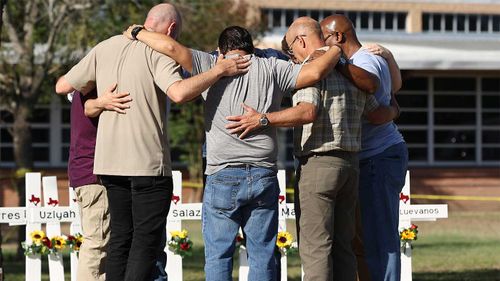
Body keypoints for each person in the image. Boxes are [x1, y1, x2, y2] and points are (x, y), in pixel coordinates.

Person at [124, 22, 343, 281]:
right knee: (262, 254)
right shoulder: (272, 67)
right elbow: (315, 72)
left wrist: (137, 32)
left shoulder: (210, 64)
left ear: (221, 50)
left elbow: (170, 47)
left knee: (219, 255)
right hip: (263, 174)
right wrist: (336, 48)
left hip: (222, 173)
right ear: (251, 48)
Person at [55, 3, 249, 281]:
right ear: (171, 30)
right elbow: (179, 93)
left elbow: (63, 86)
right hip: (147, 165)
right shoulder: (159, 52)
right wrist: (219, 71)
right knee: (145, 242)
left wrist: (98, 101)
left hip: (108, 164)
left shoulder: (104, 47)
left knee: (120, 239)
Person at [225, 17, 399, 281]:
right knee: (344, 246)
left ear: (301, 41)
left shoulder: (311, 69)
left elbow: (307, 111)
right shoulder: (350, 70)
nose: (291, 55)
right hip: (351, 164)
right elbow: (377, 113)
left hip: (319, 163)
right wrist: (396, 109)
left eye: (291, 48)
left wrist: (264, 118)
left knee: (316, 247)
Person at [321, 14, 408, 281]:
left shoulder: (363, 61)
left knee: (380, 237)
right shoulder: (366, 58)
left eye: (323, 37)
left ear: (337, 37)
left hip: (378, 157)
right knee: (366, 237)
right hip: (373, 157)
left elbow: (374, 101)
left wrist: (335, 61)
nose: (321, 44)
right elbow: (394, 88)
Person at [53, 86, 128, 281]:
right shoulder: (93, 93)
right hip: (93, 175)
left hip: (83, 174)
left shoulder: (79, 91)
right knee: (97, 243)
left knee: (96, 241)